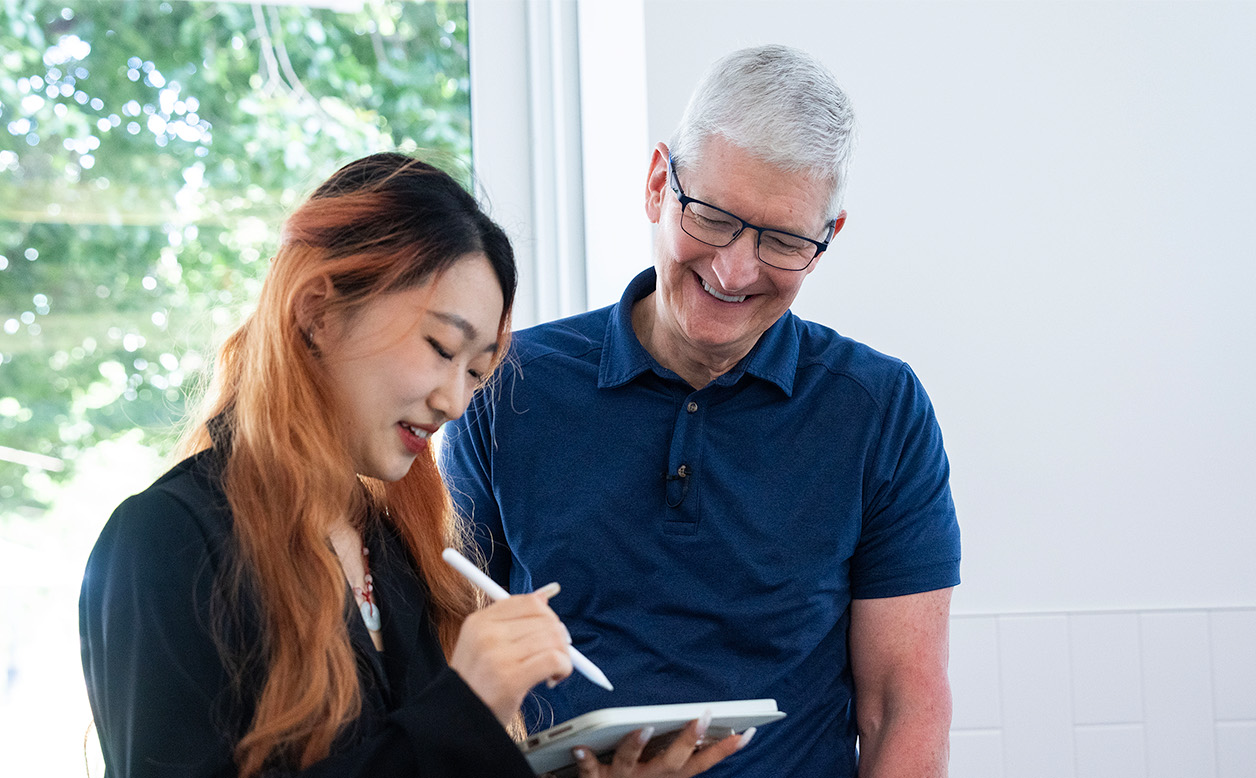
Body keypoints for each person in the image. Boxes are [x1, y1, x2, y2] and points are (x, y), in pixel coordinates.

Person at [79, 152, 744, 778]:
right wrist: (467, 705)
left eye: (478, 372)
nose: (454, 401)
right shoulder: (165, 543)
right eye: (439, 347)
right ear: (318, 311)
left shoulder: (393, 550)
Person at [441, 45, 961, 777]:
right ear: (659, 185)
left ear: (826, 241)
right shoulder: (504, 386)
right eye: (712, 218)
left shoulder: (880, 410)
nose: (734, 270)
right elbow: (449, 672)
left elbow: (903, 704)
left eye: (782, 240)